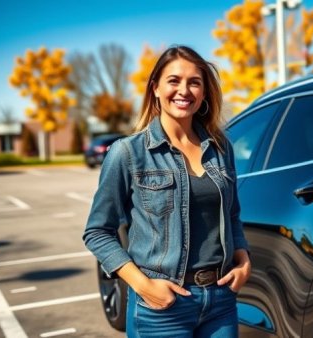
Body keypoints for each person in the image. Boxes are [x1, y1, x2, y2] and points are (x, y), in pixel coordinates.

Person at [83, 45, 251, 337]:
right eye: (174, 80)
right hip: (161, 307)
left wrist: (244, 258)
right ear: (156, 89)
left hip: (220, 300)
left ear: (204, 92)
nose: (184, 90)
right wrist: (142, 285)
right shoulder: (128, 153)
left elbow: (232, 212)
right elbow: (98, 232)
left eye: (194, 82)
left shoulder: (221, 148)